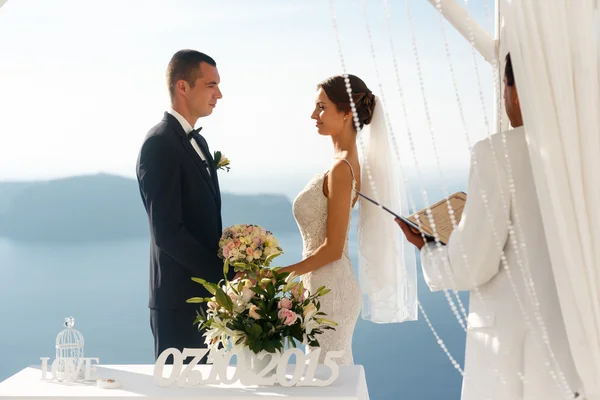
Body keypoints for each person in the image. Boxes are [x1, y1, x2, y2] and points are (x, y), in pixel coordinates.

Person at [396, 53, 582, 399]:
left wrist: (429, 250)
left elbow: (471, 265)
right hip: (579, 343)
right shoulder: (585, 154)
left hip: (515, 346)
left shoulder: (498, 153)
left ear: (515, 90)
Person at [136, 49, 232, 363]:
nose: (219, 94)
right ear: (183, 87)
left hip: (208, 305)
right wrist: (222, 275)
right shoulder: (159, 144)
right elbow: (168, 233)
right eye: (211, 85)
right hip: (179, 306)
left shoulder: (199, 143)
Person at [277, 74, 374, 365]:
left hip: (330, 292)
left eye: (322, 107)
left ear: (346, 112)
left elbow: (333, 249)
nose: (313, 115)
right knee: (327, 380)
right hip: (320, 286)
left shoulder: (342, 168)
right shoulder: (344, 162)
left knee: (326, 381)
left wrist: (279, 275)